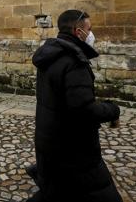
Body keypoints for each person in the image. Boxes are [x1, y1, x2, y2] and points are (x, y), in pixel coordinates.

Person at [28, 10, 122, 202]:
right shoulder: (74, 62)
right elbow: (84, 110)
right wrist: (112, 110)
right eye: (89, 29)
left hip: (50, 139)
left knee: (55, 192)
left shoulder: (50, 55)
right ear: (78, 32)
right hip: (73, 146)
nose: (92, 34)